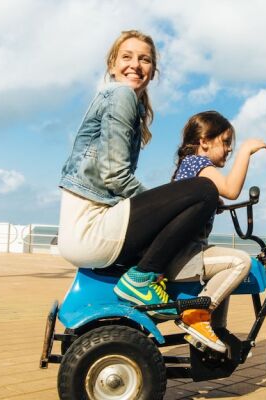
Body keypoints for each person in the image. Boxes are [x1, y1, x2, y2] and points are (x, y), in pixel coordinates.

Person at [57, 30, 219, 319]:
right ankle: (141, 279)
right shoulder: (121, 95)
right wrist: (170, 207)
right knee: (204, 190)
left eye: (144, 59)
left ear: (152, 71)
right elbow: (115, 177)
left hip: (87, 227)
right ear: (112, 64)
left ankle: (148, 277)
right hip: (92, 229)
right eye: (127, 57)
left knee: (196, 198)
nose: (136, 65)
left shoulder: (127, 102)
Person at [167, 111, 266, 352]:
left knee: (222, 270)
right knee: (239, 262)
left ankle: (216, 330)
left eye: (232, 146)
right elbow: (231, 190)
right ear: (204, 142)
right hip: (185, 256)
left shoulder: (187, 167)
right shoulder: (199, 164)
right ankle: (196, 316)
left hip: (179, 253)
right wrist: (245, 151)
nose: (229, 149)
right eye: (225, 143)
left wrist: (212, 204)